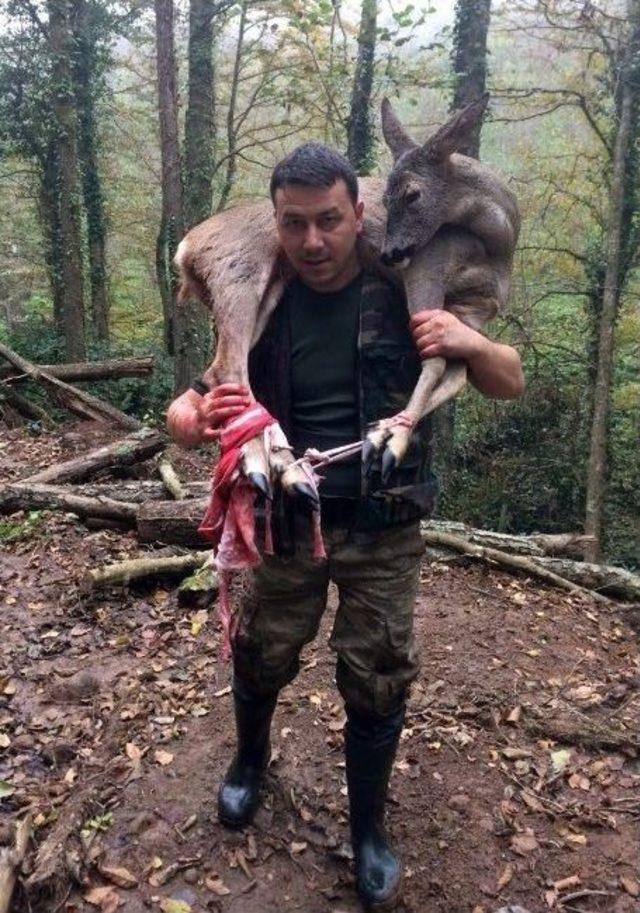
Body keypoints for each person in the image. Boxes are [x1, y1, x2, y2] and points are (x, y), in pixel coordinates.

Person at [167, 143, 524, 910]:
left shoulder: (408, 285)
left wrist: (472, 342)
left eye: (329, 220)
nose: (313, 241)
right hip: (284, 522)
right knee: (262, 649)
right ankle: (249, 763)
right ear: (277, 225)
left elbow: (507, 379)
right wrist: (187, 417)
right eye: (294, 224)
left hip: (383, 526)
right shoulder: (265, 297)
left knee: (377, 674)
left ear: (360, 214)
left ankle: (368, 829)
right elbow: (198, 397)